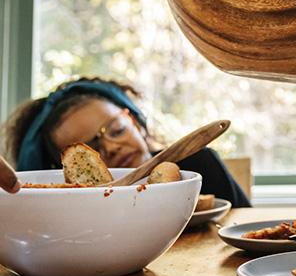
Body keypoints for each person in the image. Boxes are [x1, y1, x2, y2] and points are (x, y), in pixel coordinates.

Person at [3, 77, 250, 207]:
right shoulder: (73, 209)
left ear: (134, 122)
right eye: (91, 151)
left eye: (117, 130)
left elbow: (248, 232)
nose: (110, 147)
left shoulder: (198, 164)